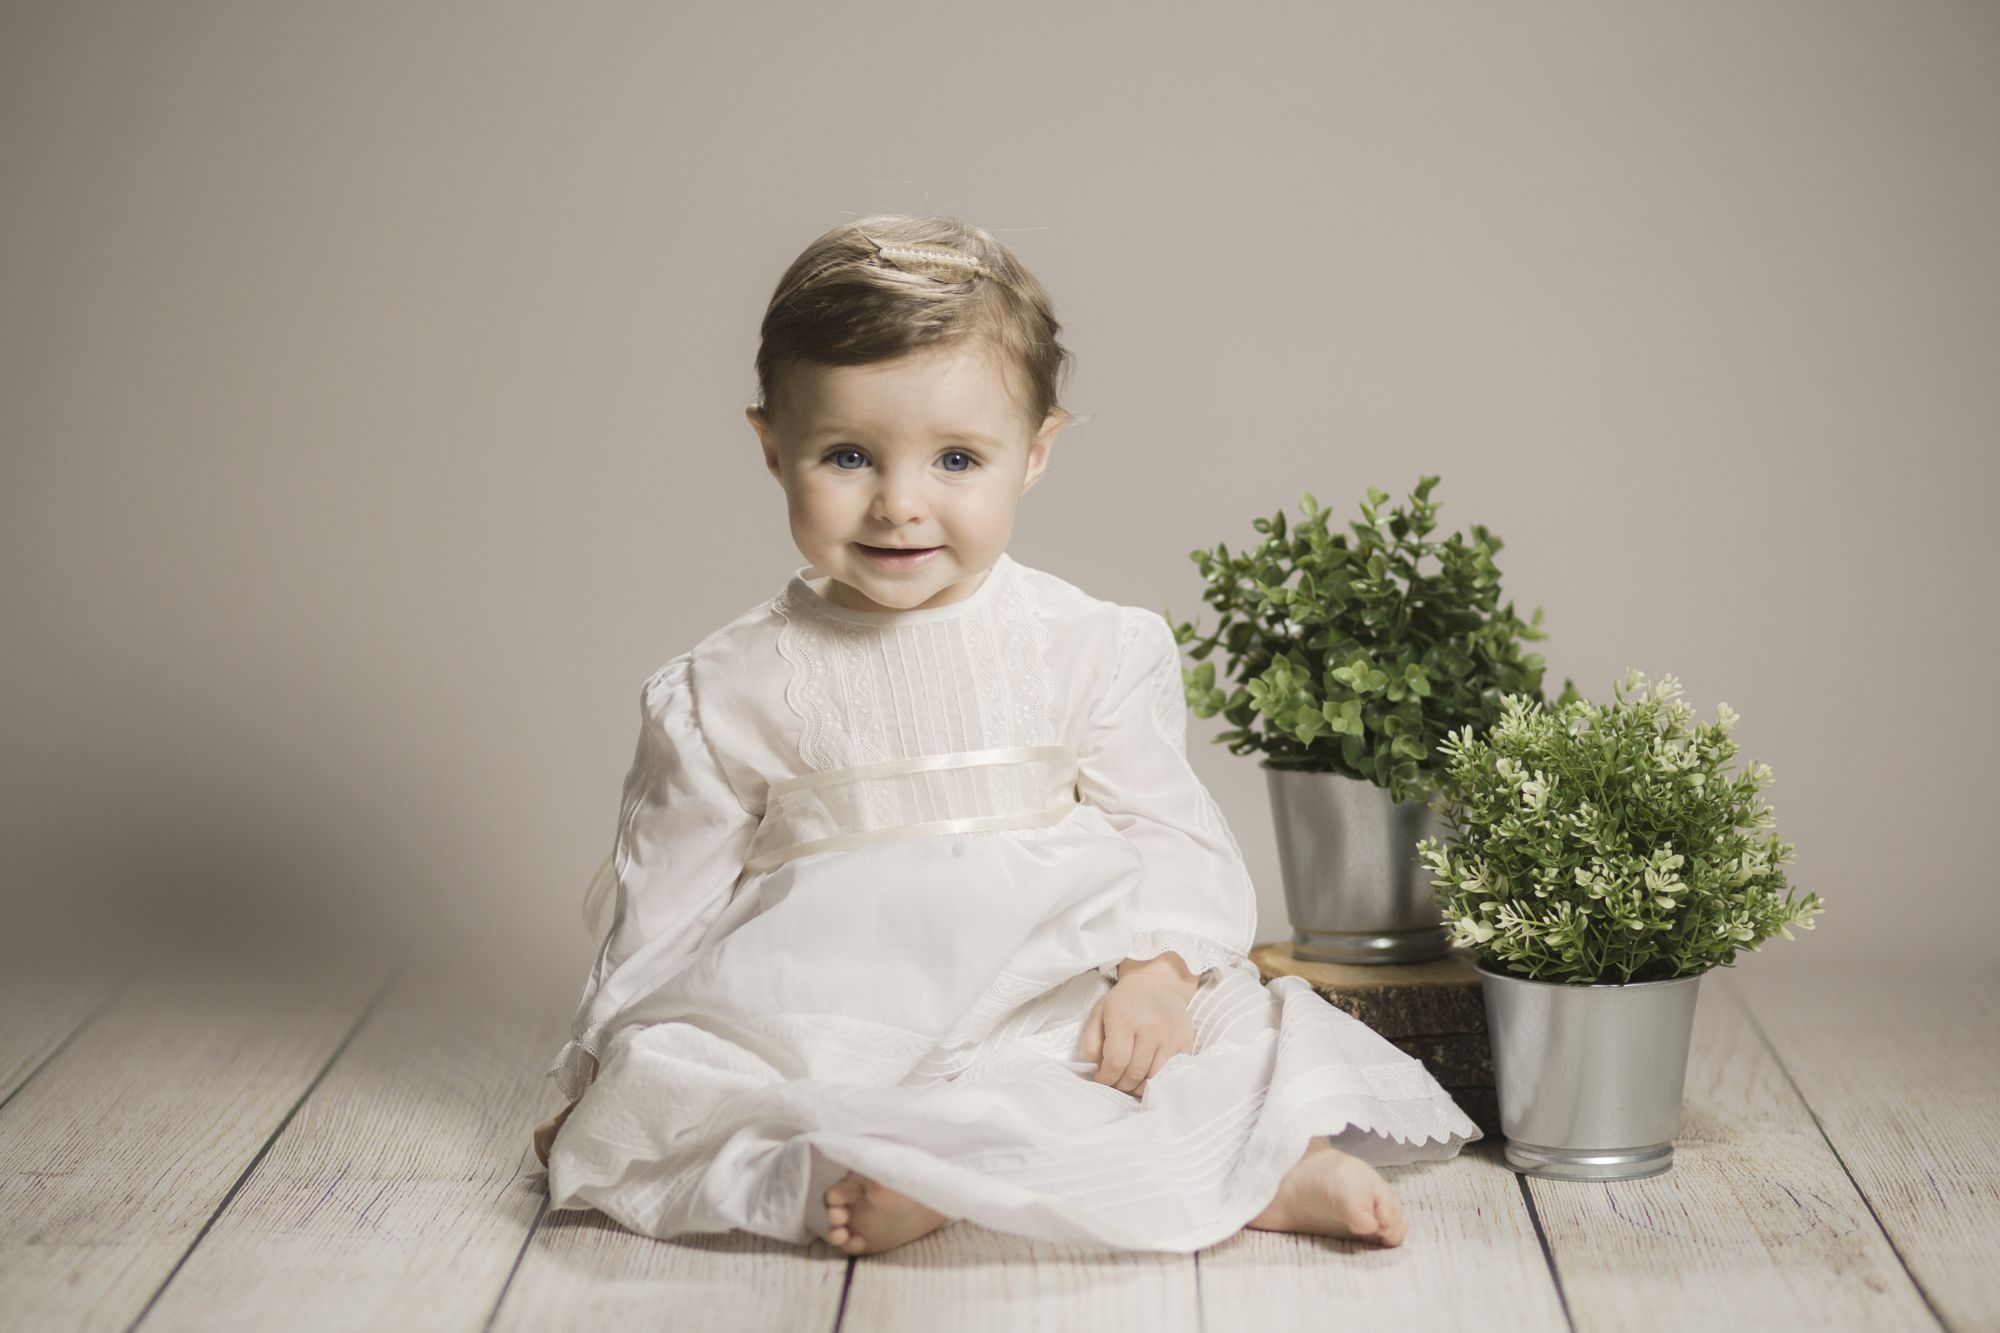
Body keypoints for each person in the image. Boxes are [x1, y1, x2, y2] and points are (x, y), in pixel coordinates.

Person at [534, 215, 1482, 1256]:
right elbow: (662, 907)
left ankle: (1273, 1168)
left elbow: (1164, 831)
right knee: (700, 1083)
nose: (899, 504)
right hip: (833, 1016)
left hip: (1052, 996)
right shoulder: (724, 687)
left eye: (955, 458)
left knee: (1218, 1034)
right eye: (846, 455)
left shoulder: (1083, 645)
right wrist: (598, 1063)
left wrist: (1155, 973)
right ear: (771, 447)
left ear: (1032, 455)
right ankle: (888, 1171)